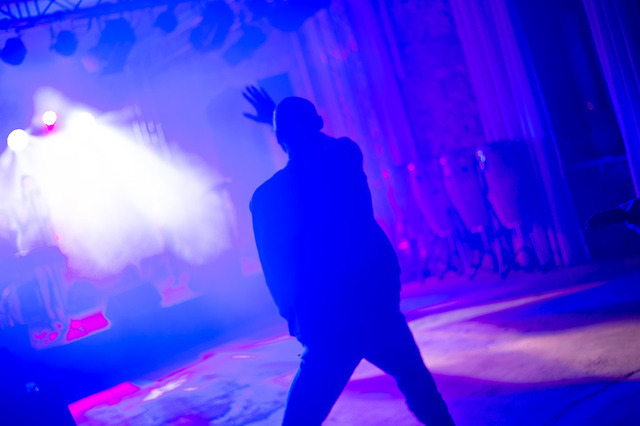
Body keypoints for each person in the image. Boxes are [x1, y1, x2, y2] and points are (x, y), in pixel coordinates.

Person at [245, 86, 454, 425]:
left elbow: (276, 271)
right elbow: (321, 144)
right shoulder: (345, 157)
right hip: (375, 308)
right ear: (318, 123)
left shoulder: (267, 197)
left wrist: (294, 316)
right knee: (423, 394)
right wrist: (282, 121)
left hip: (327, 323)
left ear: (280, 137)